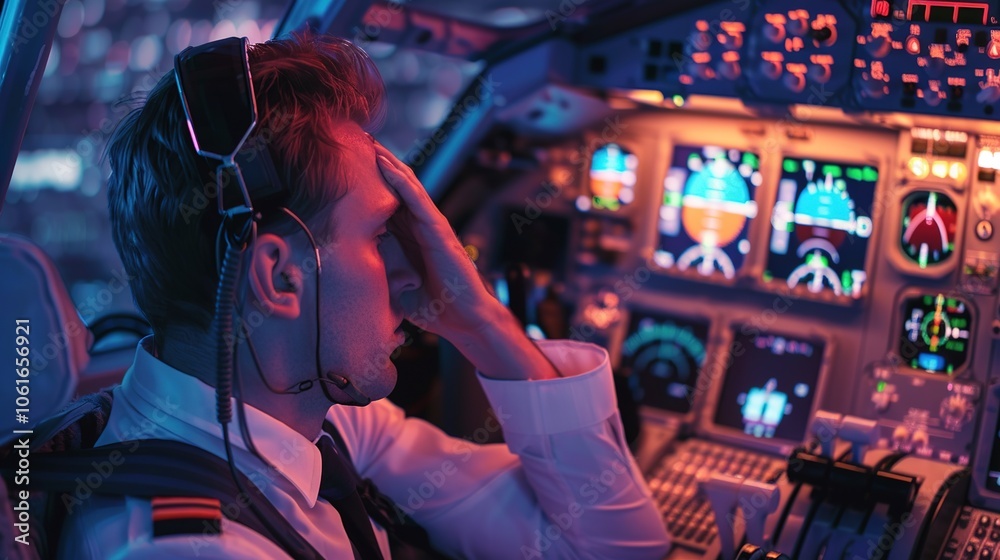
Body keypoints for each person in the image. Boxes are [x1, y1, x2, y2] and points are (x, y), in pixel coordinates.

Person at [58, 30, 672, 559]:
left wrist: (479, 322)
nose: (413, 275)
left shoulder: (318, 426)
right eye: (382, 235)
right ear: (277, 277)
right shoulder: (194, 547)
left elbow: (613, 548)